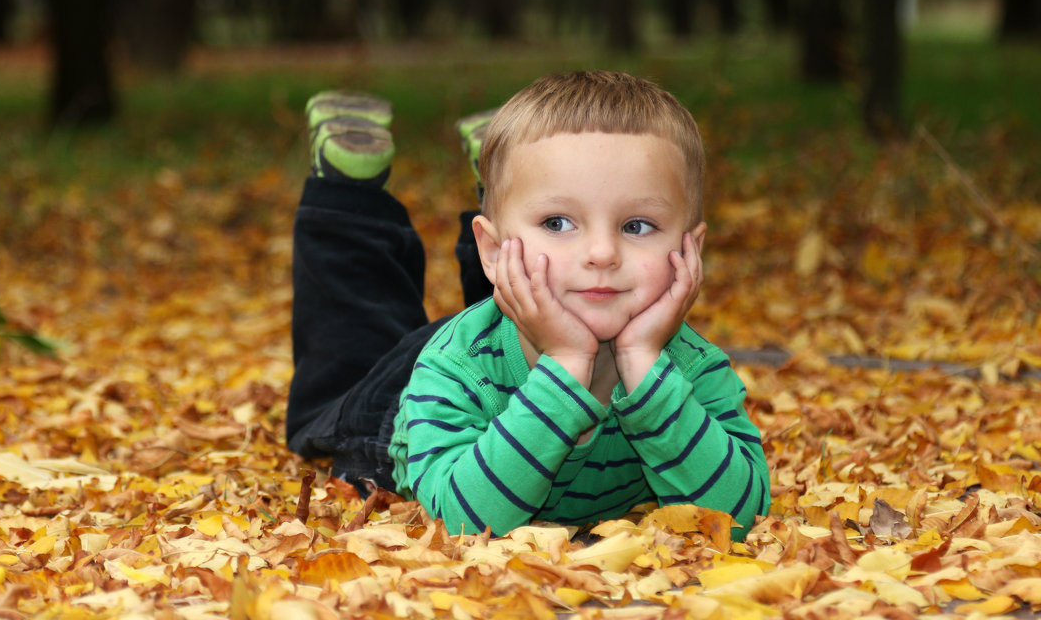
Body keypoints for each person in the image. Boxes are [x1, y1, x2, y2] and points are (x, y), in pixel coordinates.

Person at [286, 71, 769, 539]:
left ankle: (512, 195)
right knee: (350, 345)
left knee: (544, 273)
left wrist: (644, 365)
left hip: (517, 329)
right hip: (405, 400)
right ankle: (346, 195)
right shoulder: (453, 369)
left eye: (636, 225)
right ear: (491, 252)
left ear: (690, 250)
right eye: (559, 222)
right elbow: (461, 524)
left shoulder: (689, 367)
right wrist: (567, 364)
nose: (602, 253)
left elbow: (738, 514)